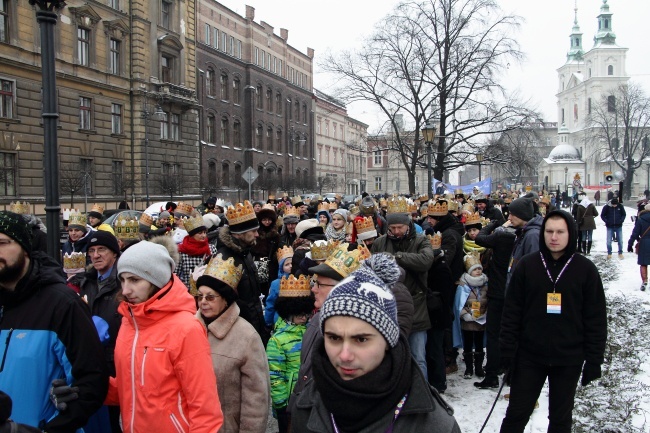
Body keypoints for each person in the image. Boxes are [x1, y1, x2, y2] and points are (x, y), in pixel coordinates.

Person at [290, 259, 461, 432]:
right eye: (334, 338)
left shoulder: (435, 424)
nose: (344, 355)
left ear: (388, 341)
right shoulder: (305, 407)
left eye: (361, 340)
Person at [499, 210, 607, 433]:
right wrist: (507, 349)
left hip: (568, 358)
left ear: (571, 234)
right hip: (530, 355)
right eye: (549, 231)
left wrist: (594, 359)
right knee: (516, 414)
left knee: (560, 419)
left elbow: (595, 318)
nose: (554, 237)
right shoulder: (528, 265)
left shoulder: (585, 269)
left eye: (560, 232)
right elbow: (512, 311)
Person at [0, 211, 108, 432]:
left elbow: (91, 382)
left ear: (25, 247)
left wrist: (51, 428)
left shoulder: (62, 304)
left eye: (2, 242)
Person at [106, 240, 223, 432]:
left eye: (135, 280)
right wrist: (87, 386)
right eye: (123, 280)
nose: (126, 290)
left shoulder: (186, 328)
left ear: (156, 280)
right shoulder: (129, 322)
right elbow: (128, 387)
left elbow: (205, 409)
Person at [195, 253, 270, 433]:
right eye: (200, 297)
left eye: (210, 297)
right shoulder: (189, 329)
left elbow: (256, 399)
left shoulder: (246, 336)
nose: (203, 302)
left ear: (225, 299)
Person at [371, 197, 434, 379]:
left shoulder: (421, 240)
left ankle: (421, 396)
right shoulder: (380, 243)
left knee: (418, 356)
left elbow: (425, 261)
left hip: (417, 307)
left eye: (400, 228)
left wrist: (396, 257)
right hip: (388, 306)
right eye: (393, 228)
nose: (396, 231)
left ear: (408, 225)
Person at [79, 230, 123, 433]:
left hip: (117, 366)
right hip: (91, 365)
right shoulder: (85, 282)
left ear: (115, 253)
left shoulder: (124, 282)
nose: (95, 255)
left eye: (101, 250)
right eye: (92, 251)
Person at [266, 275, 314, 433]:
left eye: (305, 313)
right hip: (288, 400)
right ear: (289, 312)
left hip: (309, 397)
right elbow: (275, 374)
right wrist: (280, 403)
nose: (303, 316)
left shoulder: (311, 332)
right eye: (299, 313)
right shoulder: (277, 341)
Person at [473, 219, 517, 389]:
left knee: (493, 334)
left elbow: (480, 237)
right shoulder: (520, 237)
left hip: (498, 291)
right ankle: (508, 370)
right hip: (513, 292)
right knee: (510, 333)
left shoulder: (502, 237)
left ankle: (492, 374)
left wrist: (494, 224)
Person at [217, 201, 269, 344]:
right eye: (253, 231)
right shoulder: (225, 258)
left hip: (255, 324)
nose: (257, 235)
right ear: (239, 234)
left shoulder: (246, 253)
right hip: (239, 332)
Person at [452, 253, 488, 379]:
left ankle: (478, 368)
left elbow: (488, 302)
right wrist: (464, 314)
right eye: (475, 269)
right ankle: (468, 368)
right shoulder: (463, 286)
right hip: (467, 321)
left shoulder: (485, 285)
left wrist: (486, 313)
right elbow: (458, 304)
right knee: (467, 344)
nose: (478, 271)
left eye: (479, 269)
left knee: (479, 344)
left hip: (481, 321)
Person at [505, 197, 544, 291]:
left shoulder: (532, 236)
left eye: (512, 214)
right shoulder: (524, 232)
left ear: (521, 215)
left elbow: (533, 271)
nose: (509, 218)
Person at [176, 214, 218, 288]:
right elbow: (176, 274)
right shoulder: (182, 251)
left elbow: (217, 271)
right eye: (200, 233)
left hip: (208, 289)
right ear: (192, 235)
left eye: (205, 232)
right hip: (188, 291)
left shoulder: (211, 248)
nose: (203, 235)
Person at [265, 246, 294, 328]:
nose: (290, 266)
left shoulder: (299, 280)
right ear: (281, 267)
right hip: (279, 320)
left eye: (292, 263)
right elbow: (270, 304)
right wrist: (268, 322)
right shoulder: (276, 284)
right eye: (287, 264)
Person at [627, 203, 650, 291]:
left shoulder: (641, 219)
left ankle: (644, 281)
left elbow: (635, 233)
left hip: (644, 243)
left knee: (643, 263)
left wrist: (630, 244)